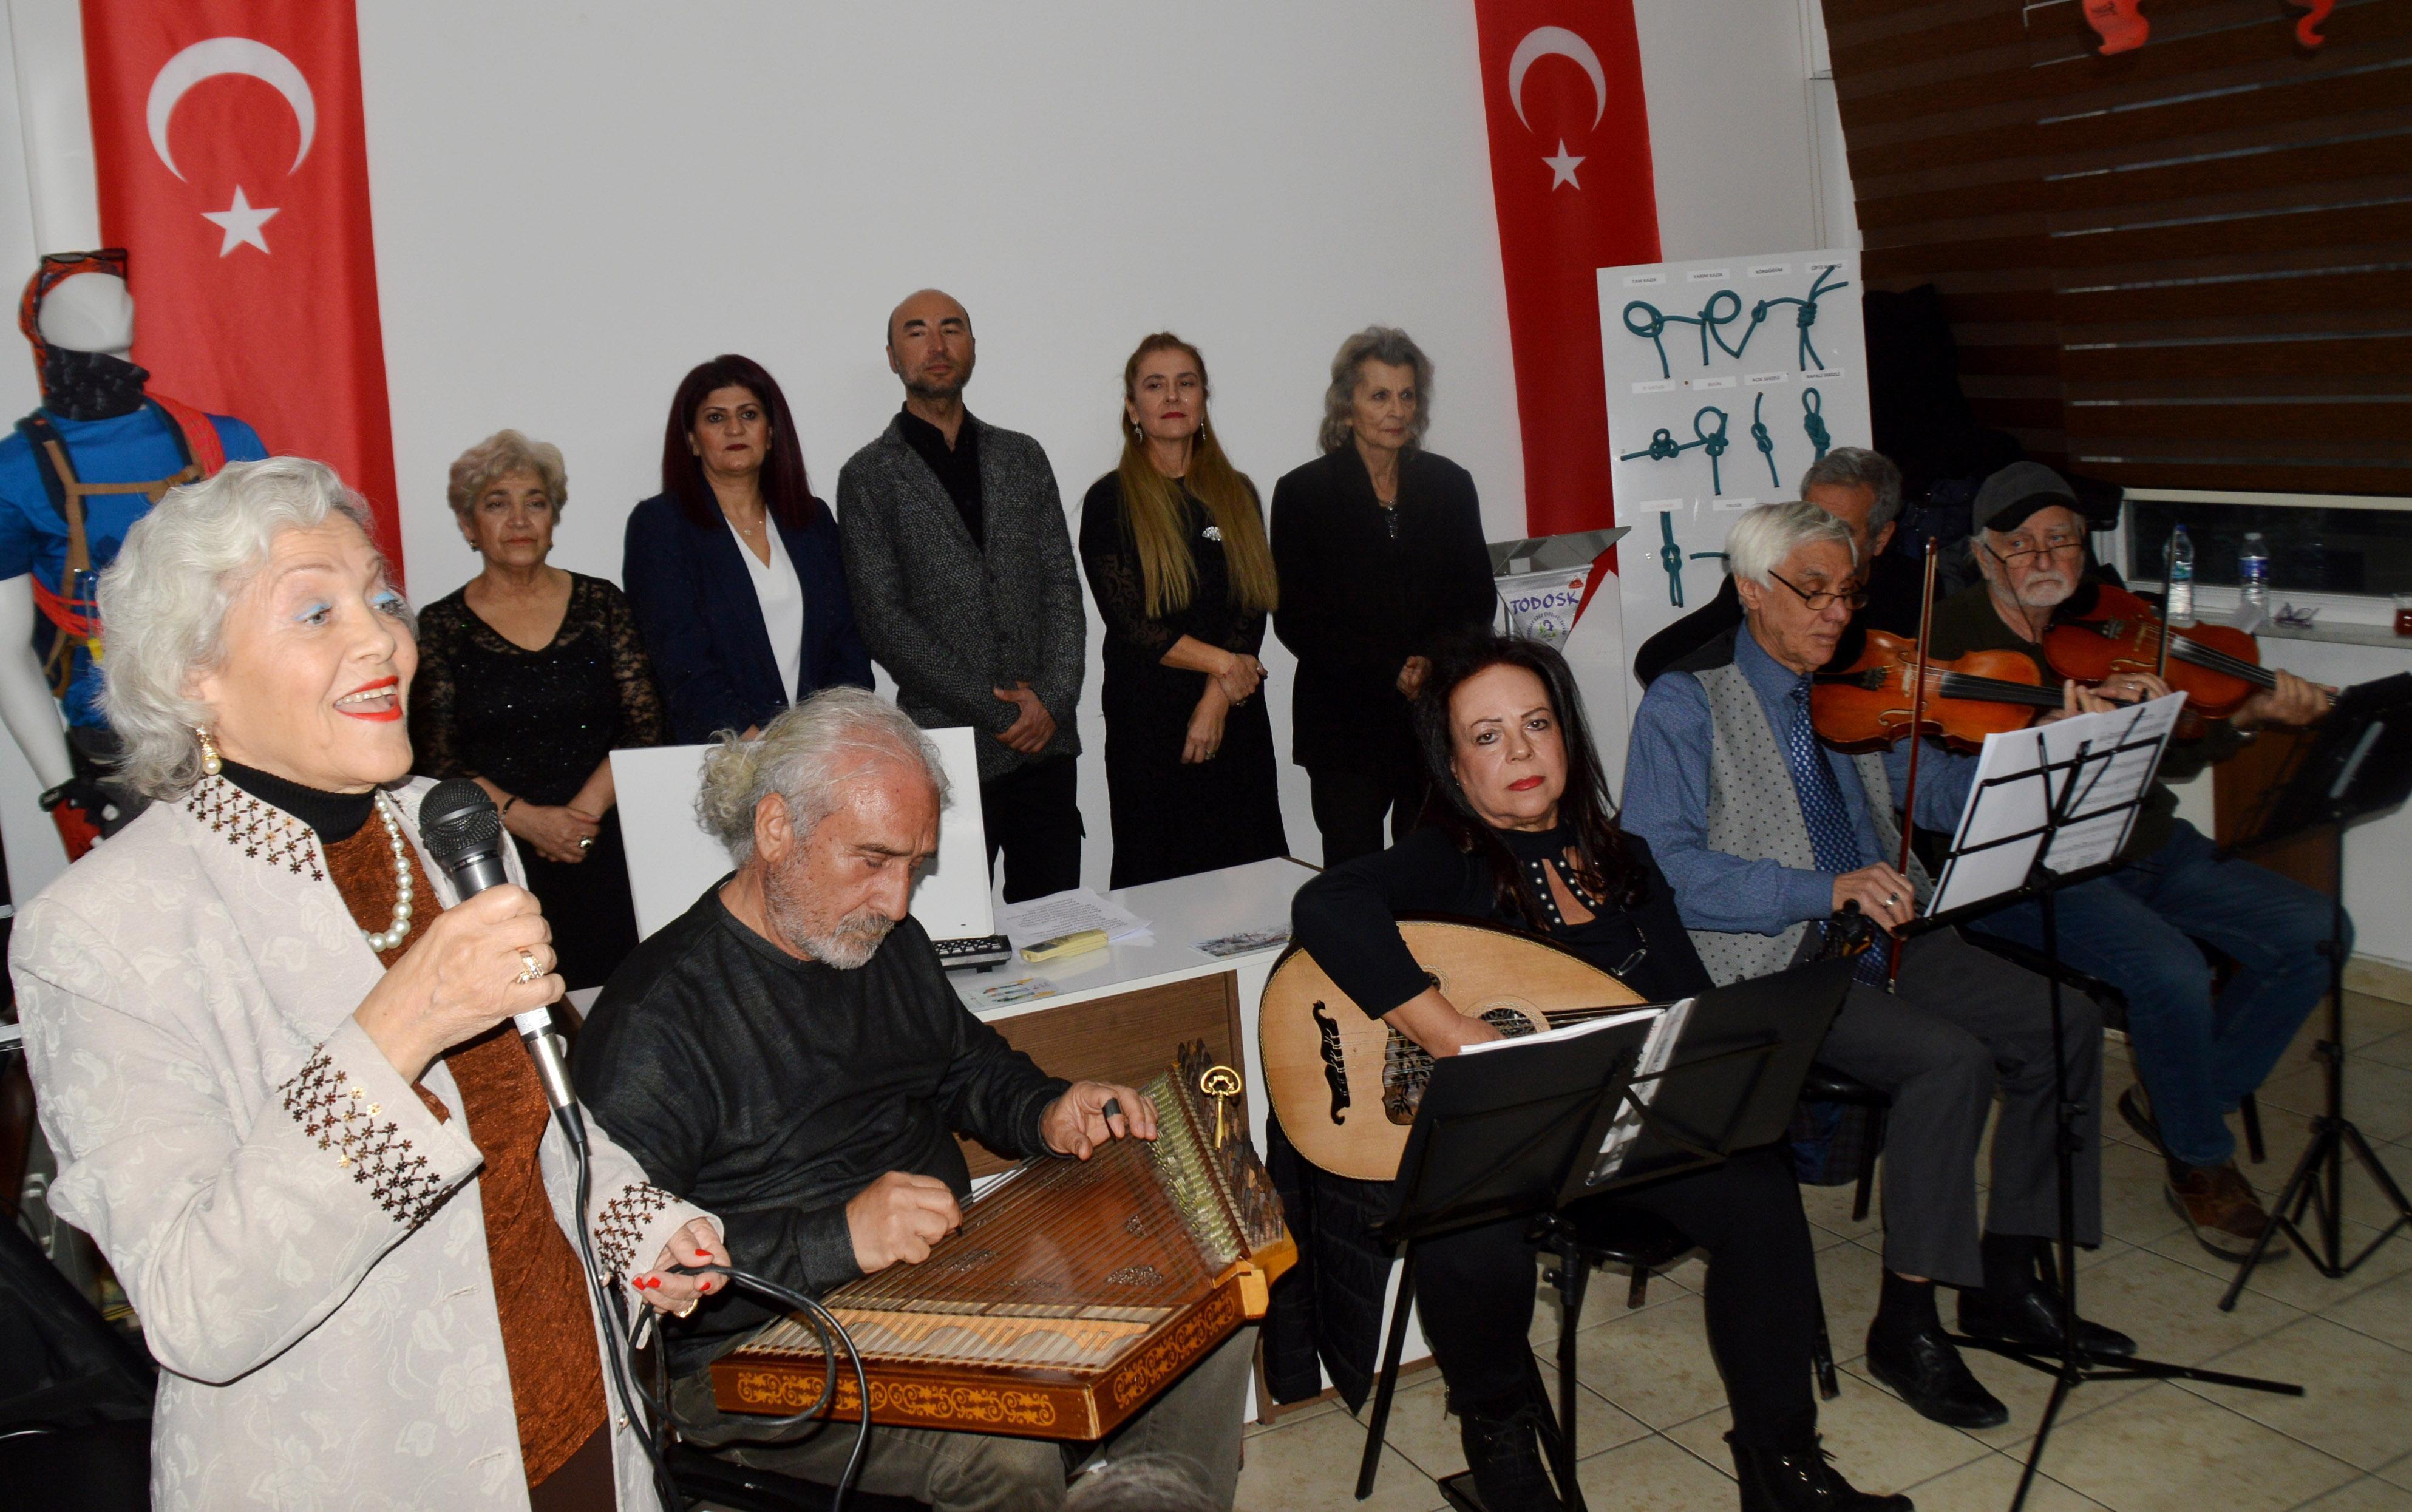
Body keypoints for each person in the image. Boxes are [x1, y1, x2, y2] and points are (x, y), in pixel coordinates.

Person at [9, 457, 725, 1510]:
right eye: (316, 611)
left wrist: (634, 1223)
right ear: (194, 673)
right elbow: (197, 1309)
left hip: (581, 1427)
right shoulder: (104, 929)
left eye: (381, 598)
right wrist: (399, 1026)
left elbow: (537, 1126)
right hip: (368, 1467)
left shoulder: (453, 833)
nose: (382, 638)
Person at [573, 690, 1253, 1512]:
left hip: (936, 1282)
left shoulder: (884, 944)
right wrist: (839, 1237)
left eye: (914, 866)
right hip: (745, 1355)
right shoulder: (655, 1021)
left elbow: (965, 1069)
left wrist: (1047, 1109)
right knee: (1006, 1450)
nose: (898, 902)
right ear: (776, 827)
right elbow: (631, 1268)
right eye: (873, 860)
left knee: (1205, 1303)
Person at [1291, 633, 1908, 1512]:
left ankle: (1781, 1461)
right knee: (1464, 1226)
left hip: (1623, 1136)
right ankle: (1500, 1442)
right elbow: (1325, 902)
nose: (1520, 751)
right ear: (1455, 765)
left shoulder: (1628, 858)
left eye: (1536, 724)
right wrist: (1445, 1027)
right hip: (1507, 1149)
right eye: (1488, 736)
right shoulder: (1446, 861)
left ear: (1568, 736)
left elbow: (1687, 1007)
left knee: (1757, 1187)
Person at [1622, 501, 2135, 1432]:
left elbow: (1931, 795)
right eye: (1813, 590)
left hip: (1890, 931)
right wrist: (1822, 888)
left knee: (2064, 1021)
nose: (1836, 611)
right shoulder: (1685, 702)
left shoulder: (1857, 686)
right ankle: (1907, 1321)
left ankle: (2008, 1277)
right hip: (1777, 963)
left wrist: (2048, 749)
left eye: (1848, 591)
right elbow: (1666, 871)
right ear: (1750, 590)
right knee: (1948, 1060)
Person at [1930, 461, 2339, 1259]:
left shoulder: (2114, 620)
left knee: (2316, 931)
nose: (2044, 557)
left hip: (2142, 842)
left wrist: (2245, 713)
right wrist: (2053, 737)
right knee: (2171, 969)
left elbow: (2178, 756)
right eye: (2020, 542)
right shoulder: (1948, 639)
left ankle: (2185, 1096)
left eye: (2061, 540)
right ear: (1982, 554)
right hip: (2025, 869)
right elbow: (1938, 787)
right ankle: (2199, 1159)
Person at [0, 249, 266, 854]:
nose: (100, 300)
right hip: (118, 751)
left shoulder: (226, 443)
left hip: (249, 730)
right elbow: (6, 650)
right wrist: (65, 792)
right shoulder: (13, 474)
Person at [838, 290, 1088, 902]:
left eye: (951, 329)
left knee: (1057, 926)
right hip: (944, 749)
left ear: (972, 347)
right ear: (893, 356)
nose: (937, 345)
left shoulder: (1022, 456)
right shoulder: (868, 476)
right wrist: (1000, 711)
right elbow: (883, 621)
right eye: (917, 332)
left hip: (1047, 745)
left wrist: (1052, 698)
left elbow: (1061, 583)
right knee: (954, 932)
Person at [412, 430, 664, 988]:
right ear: (468, 526)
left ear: (554, 517)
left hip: (613, 849)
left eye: (535, 502)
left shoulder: (603, 603)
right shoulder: (438, 626)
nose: (520, 519)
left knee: (630, 1001)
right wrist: (528, 821)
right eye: (497, 504)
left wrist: (582, 818)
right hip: (500, 858)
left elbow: (644, 726)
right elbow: (438, 760)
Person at [1271, 327, 1494, 867]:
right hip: (1344, 723)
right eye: (1379, 395)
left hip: (1432, 715)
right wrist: (1389, 667)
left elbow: (1475, 600)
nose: (1396, 410)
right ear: (1346, 407)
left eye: (1406, 395)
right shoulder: (1303, 493)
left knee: (1434, 869)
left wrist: (1431, 663)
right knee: (1356, 877)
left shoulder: (1449, 485)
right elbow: (1297, 618)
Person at [1078, 333, 1286, 887]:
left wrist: (1218, 697)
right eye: (1155, 385)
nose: (1172, 396)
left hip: (1235, 713)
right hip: (1149, 725)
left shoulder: (1238, 492)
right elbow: (1131, 624)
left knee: (1252, 881)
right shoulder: (1109, 501)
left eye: (1185, 383)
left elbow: (1253, 604)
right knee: (1161, 883)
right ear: (1132, 408)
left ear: (1202, 399)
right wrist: (1224, 667)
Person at [623, 354, 872, 745]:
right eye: (715, 418)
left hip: (817, 750)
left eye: (749, 414)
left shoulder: (812, 520)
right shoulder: (661, 526)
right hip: (722, 754)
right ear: (691, 440)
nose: (735, 428)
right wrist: (758, 747)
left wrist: (825, 740)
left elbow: (847, 644)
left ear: (771, 433)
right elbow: (682, 662)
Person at [1631, 446, 1921, 688]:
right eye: (1810, 521)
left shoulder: (1917, 588)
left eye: (1842, 530)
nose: (1822, 540)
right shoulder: (1768, 579)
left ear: (1881, 538)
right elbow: (1655, 662)